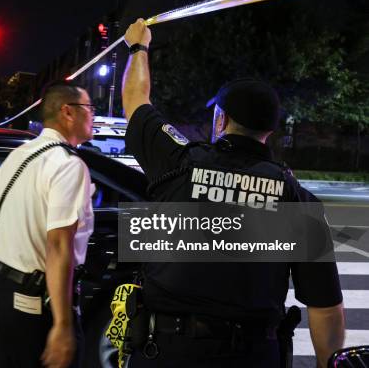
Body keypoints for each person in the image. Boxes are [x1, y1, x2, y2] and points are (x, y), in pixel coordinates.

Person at [120, 19, 344, 368]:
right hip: (250, 355)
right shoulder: (297, 201)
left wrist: (139, 46)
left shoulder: (178, 161)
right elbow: (325, 309)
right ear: (269, 130)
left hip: (166, 351)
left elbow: (136, 102)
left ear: (220, 119)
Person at [0, 81, 95, 368]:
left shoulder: (20, 154)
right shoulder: (68, 165)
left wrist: (10, 266)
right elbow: (58, 245)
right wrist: (62, 324)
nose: (93, 115)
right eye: (89, 108)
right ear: (68, 112)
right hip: (31, 303)